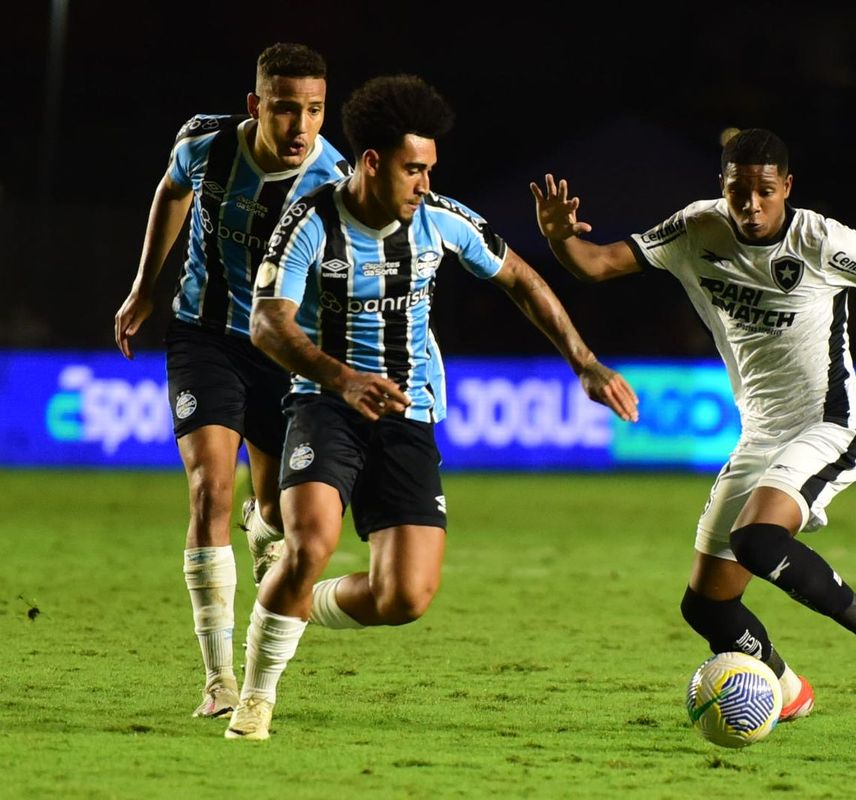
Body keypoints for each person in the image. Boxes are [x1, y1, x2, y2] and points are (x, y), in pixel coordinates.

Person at [530, 128, 856, 718]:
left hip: (830, 424)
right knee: (707, 607)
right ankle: (787, 692)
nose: (751, 205)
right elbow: (597, 263)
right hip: (759, 433)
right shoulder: (696, 228)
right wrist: (558, 239)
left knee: (758, 540)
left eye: (765, 191)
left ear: (786, 187)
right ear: (723, 188)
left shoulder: (820, 240)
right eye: (739, 191)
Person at [225, 74, 640, 740]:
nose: (423, 183)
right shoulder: (308, 223)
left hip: (408, 417)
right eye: (412, 169)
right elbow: (268, 325)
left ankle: (296, 604)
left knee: (405, 598)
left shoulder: (442, 219)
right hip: (324, 407)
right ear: (370, 163)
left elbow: (522, 281)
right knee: (311, 544)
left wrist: (584, 362)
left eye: (429, 170)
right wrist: (339, 378)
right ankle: (254, 699)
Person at [112, 43, 350, 719]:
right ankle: (218, 681)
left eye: (313, 110)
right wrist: (142, 289)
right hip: (203, 335)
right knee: (208, 486)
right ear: (256, 106)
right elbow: (170, 191)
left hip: (284, 354)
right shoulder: (203, 144)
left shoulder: (331, 180)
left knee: (276, 515)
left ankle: (260, 522)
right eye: (284, 109)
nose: (300, 126)